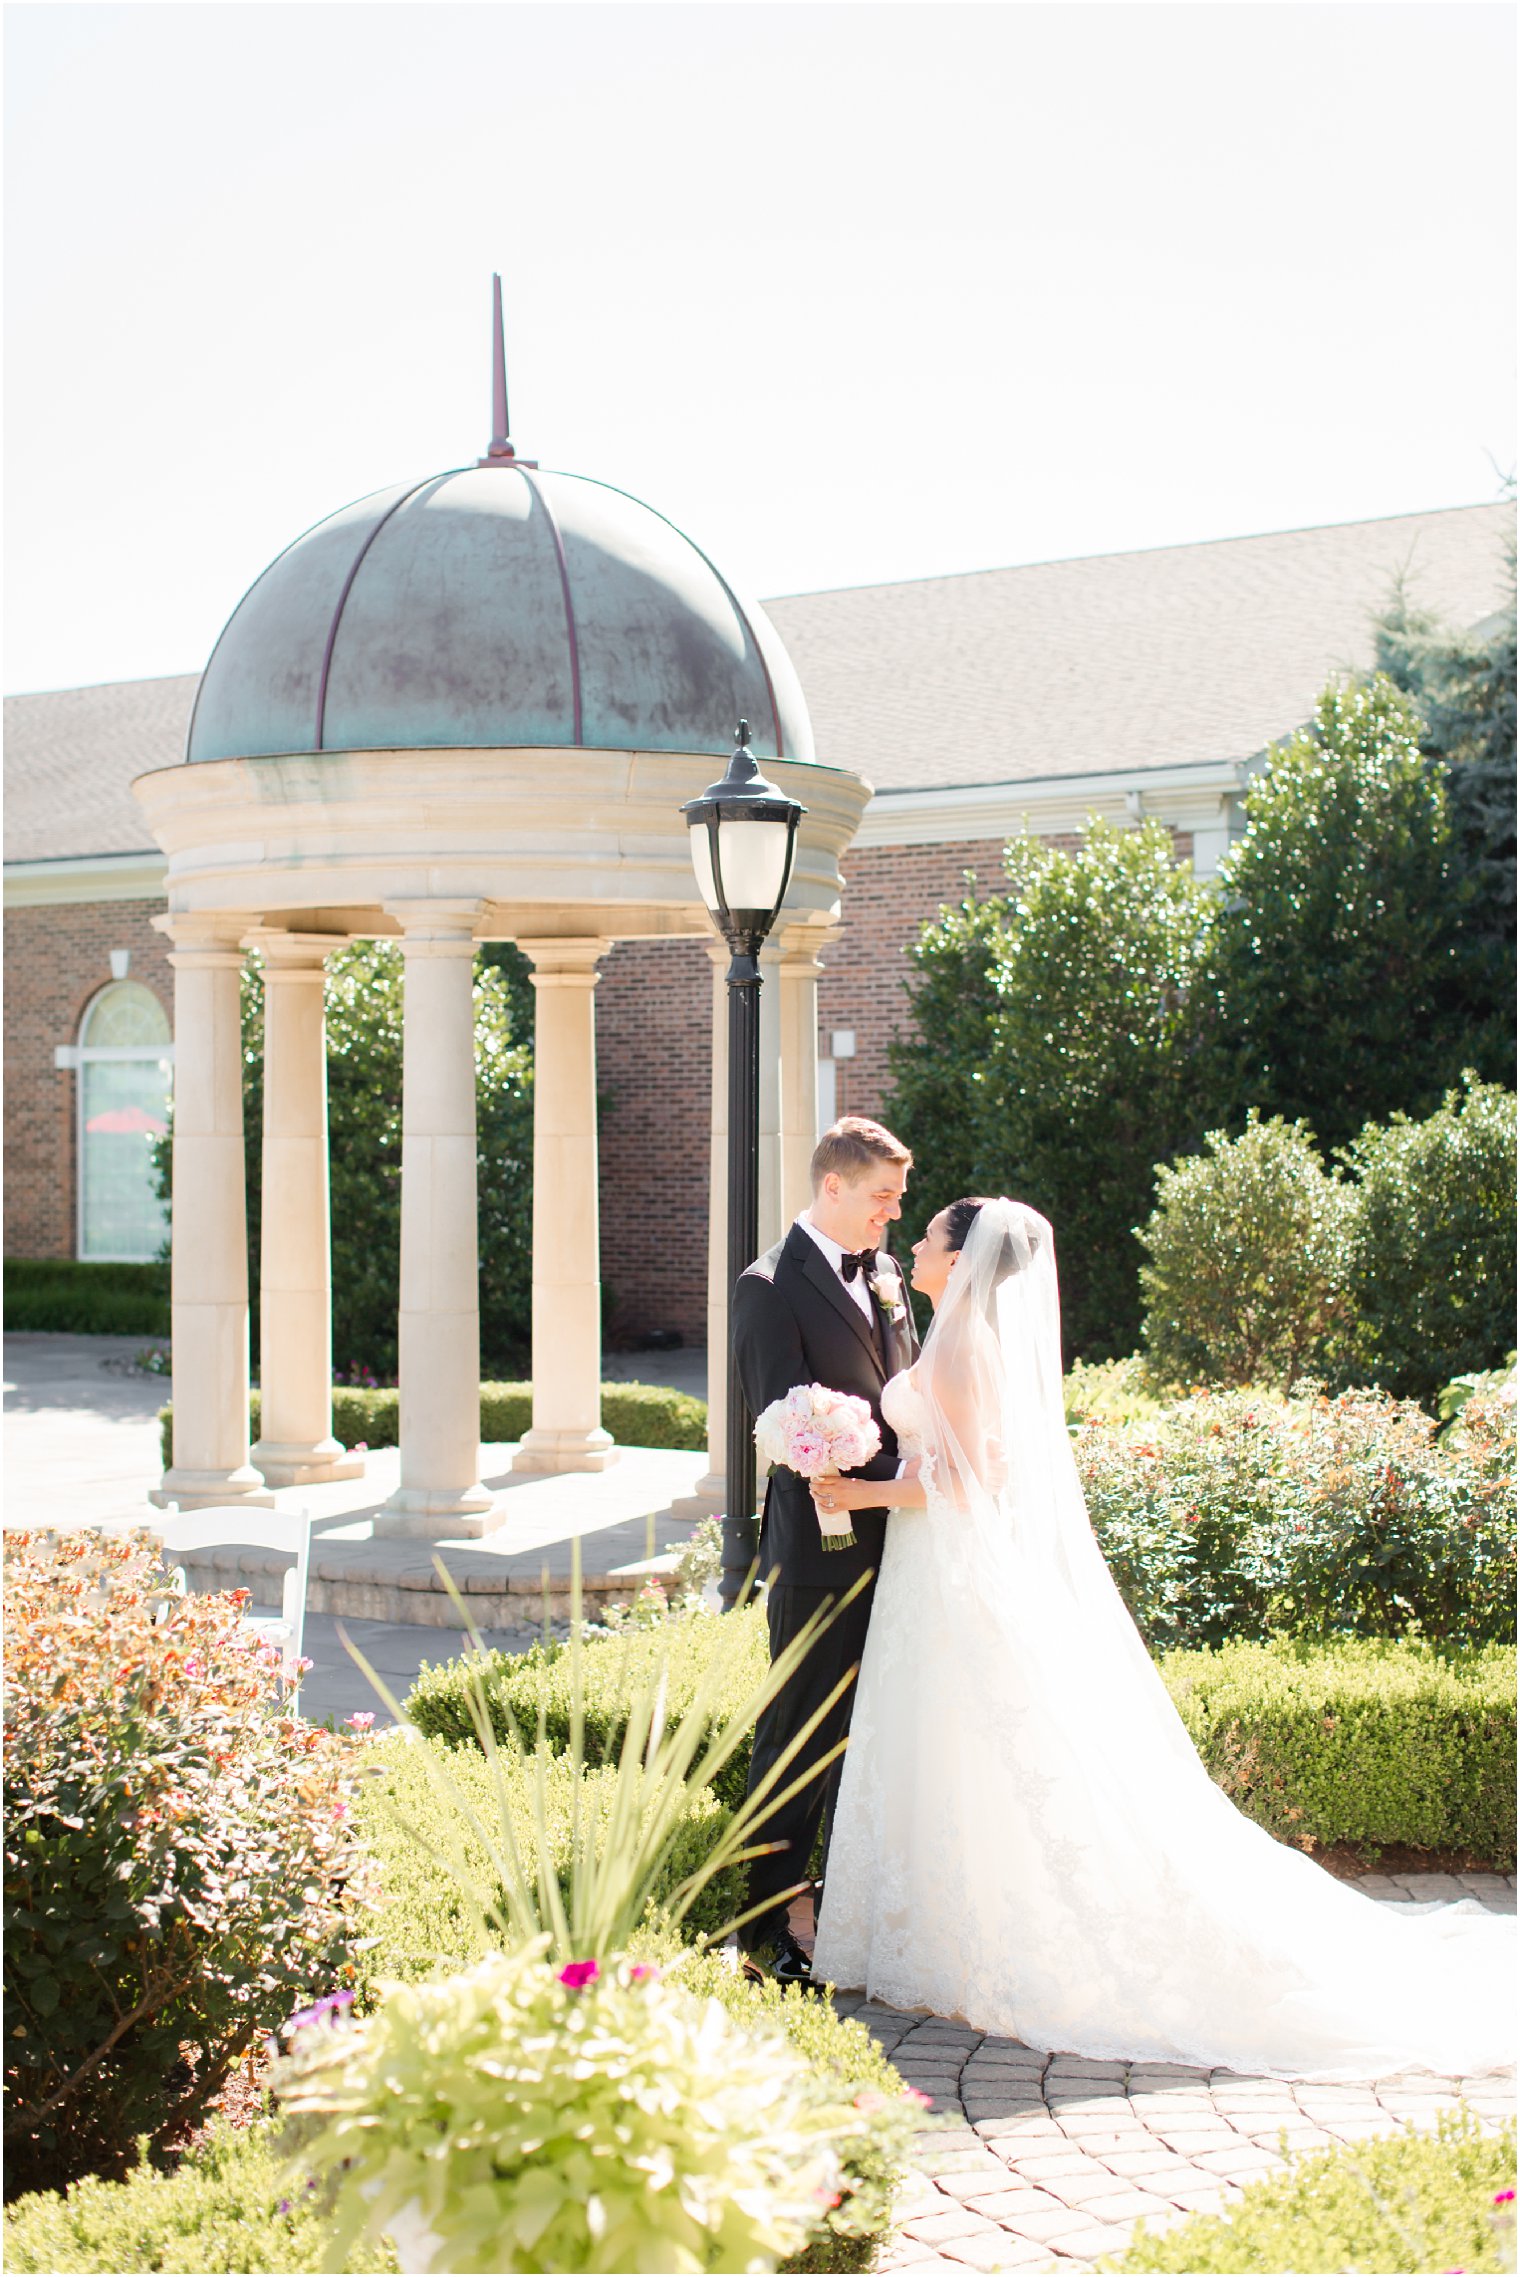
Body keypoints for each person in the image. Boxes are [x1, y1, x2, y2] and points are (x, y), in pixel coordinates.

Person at [808, 1195, 1515, 2079]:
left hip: (951, 1571)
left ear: (961, 1256)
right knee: (949, 1747)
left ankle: (981, 1946)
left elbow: (974, 1482)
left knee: (978, 1744)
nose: (913, 1243)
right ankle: (940, 1943)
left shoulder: (960, 1346)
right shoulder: (957, 1333)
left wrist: (862, 1493)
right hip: (930, 1574)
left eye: (929, 1235)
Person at [730, 1116, 919, 1988]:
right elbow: (779, 1420)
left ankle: (851, 1906)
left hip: (908, 1536)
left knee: (880, 1727)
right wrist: (855, 1469)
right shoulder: (768, 1285)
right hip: (820, 1545)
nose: (891, 1216)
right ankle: (769, 1918)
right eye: (882, 1197)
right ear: (832, 1186)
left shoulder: (885, 1274)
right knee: (799, 1734)